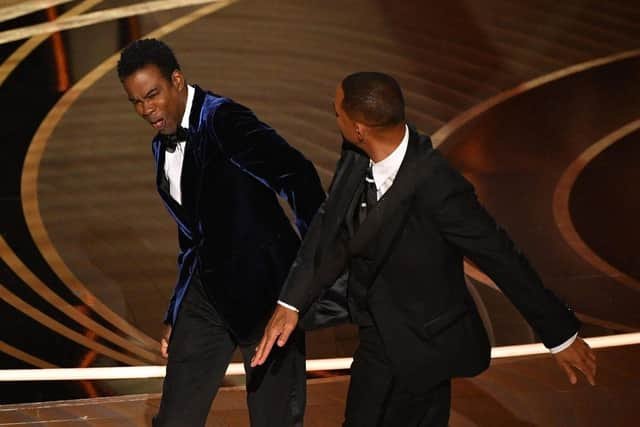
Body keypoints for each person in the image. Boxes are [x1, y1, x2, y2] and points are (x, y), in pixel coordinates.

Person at [252, 72, 597, 426]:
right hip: (376, 335)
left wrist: (560, 335)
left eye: (336, 113)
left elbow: (501, 256)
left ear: (359, 129)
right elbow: (332, 223)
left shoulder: (439, 186)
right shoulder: (357, 154)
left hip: (426, 344)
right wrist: (291, 301)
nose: (334, 117)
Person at [117, 38, 325, 427]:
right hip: (207, 293)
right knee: (175, 418)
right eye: (136, 101)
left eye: (152, 95)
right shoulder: (161, 147)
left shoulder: (224, 120)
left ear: (177, 80)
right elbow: (191, 236)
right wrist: (176, 310)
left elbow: (299, 176)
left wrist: (304, 281)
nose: (146, 109)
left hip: (267, 299)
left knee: (275, 420)